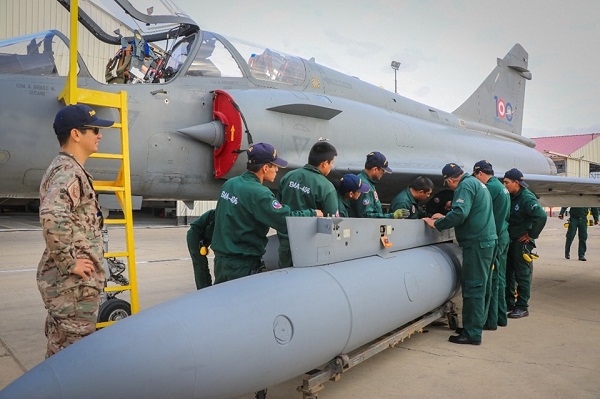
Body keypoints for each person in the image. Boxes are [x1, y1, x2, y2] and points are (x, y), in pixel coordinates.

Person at [38, 104, 114, 357]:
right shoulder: (68, 172)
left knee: (60, 352)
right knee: (74, 356)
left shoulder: (68, 169)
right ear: (76, 134)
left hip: (70, 288)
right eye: (94, 130)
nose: (99, 135)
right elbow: (52, 215)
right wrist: (70, 262)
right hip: (73, 288)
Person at [211, 142, 322, 284]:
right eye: (274, 166)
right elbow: (284, 220)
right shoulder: (260, 194)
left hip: (221, 262)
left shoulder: (229, 184)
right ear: (264, 168)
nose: (277, 170)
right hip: (242, 265)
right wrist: (312, 213)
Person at [423, 163, 497, 345]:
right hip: (485, 241)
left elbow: (460, 213)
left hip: (477, 243)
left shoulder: (464, 186)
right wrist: (445, 217)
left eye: (447, 184)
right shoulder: (476, 182)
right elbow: (468, 212)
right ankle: (474, 325)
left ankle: (472, 334)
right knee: (481, 286)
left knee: (473, 288)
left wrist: (437, 224)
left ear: (450, 180)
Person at [277, 141, 339, 268]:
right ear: (324, 163)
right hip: (309, 248)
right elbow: (333, 223)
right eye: (331, 163)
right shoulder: (327, 187)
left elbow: (279, 207)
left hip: (285, 243)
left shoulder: (288, 176)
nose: (331, 167)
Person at [502, 168, 547, 319]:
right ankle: (509, 302)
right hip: (511, 240)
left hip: (521, 243)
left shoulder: (527, 198)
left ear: (516, 183)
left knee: (522, 274)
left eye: (507, 182)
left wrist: (531, 234)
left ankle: (522, 306)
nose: (505, 185)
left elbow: (541, 216)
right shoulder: (512, 196)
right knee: (508, 272)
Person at [472, 160, 510, 330]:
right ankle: (500, 317)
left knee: (491, 280)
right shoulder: (500, 186)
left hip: (495, 237)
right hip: (503, 235)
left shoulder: (490, 188)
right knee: (499, 278)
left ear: (480, 173)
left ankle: (489, 320)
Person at [353, 151, 409, 219]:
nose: (384, 173)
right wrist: (391, 216)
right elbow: (366, 216)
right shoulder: (365, 186)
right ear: (375, 169)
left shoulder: (366, 181)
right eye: (383, 170)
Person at [186, 208, 215, 289]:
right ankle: (203, 288)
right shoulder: (217, 216)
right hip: (195, 236)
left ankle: (207, 286)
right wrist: (204, 244)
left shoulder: (218, 214)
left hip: (201, 237)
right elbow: (210, 233)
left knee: (203, 264)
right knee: (200, 264)